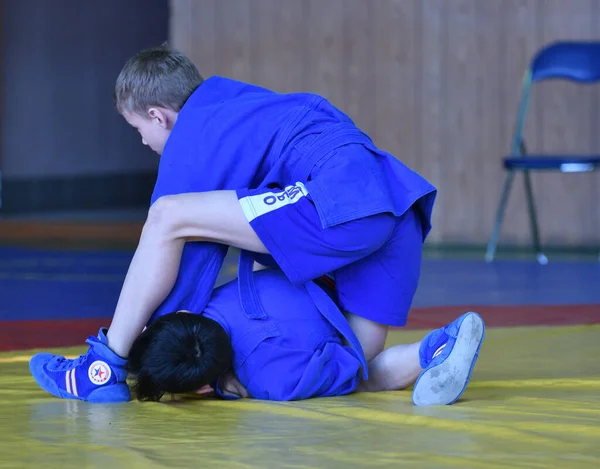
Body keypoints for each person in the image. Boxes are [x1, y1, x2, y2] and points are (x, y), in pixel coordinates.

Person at [28, 45, 472, 406]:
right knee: (355, 356)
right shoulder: (241, 106)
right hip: (395, 207)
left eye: (139, 130)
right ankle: (437, 350)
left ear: (159, 116)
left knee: (169, 216)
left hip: (340, 200)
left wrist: (152, 354)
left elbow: (188, 262)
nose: (144, 143)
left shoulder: (195, 135)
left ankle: (99, 367)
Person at [126, 269, 485, 403]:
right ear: (184, 315)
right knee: (258, 262)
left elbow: (349, 369)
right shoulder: (208, 301)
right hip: (351, 262)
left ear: (203, 388)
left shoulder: (272, 382)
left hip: (361, 304)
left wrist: (228, 387)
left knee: (362, 375)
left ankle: (435, 347)